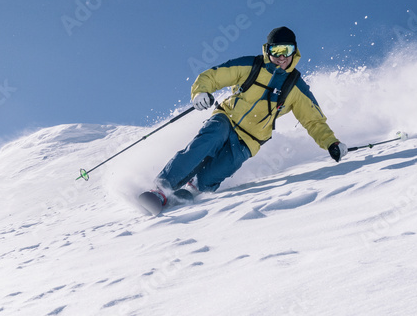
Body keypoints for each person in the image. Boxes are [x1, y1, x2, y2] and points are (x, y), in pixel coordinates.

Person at [144, 26, 346, 211]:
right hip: (227, 119)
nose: (281, 57)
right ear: (268, 50)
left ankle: (192, 190)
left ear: (295, 51)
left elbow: (313, 120)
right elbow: (212, 76)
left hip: (250, 140)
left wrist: (331, 143)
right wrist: (200, 93)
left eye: (287, 50)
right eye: (276, 51)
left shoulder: (295, 86)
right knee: (207, 141)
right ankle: (162, 189)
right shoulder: (252, 66)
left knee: (215, 173)